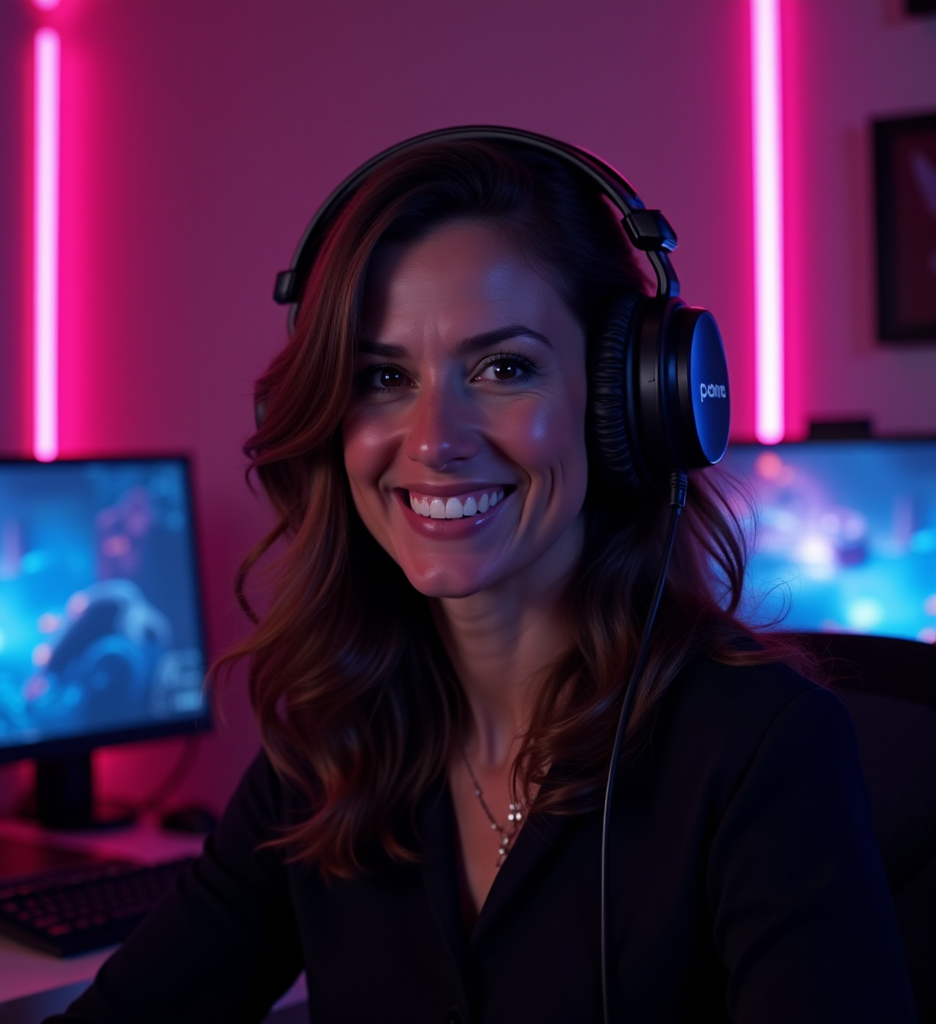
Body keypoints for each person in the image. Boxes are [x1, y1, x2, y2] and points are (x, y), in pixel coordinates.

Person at [47, 129, 917, 1023]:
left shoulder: (759, 749)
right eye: (383, 376)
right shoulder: (328, 747)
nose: (433, 440)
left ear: (628, 400)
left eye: (504, 369)